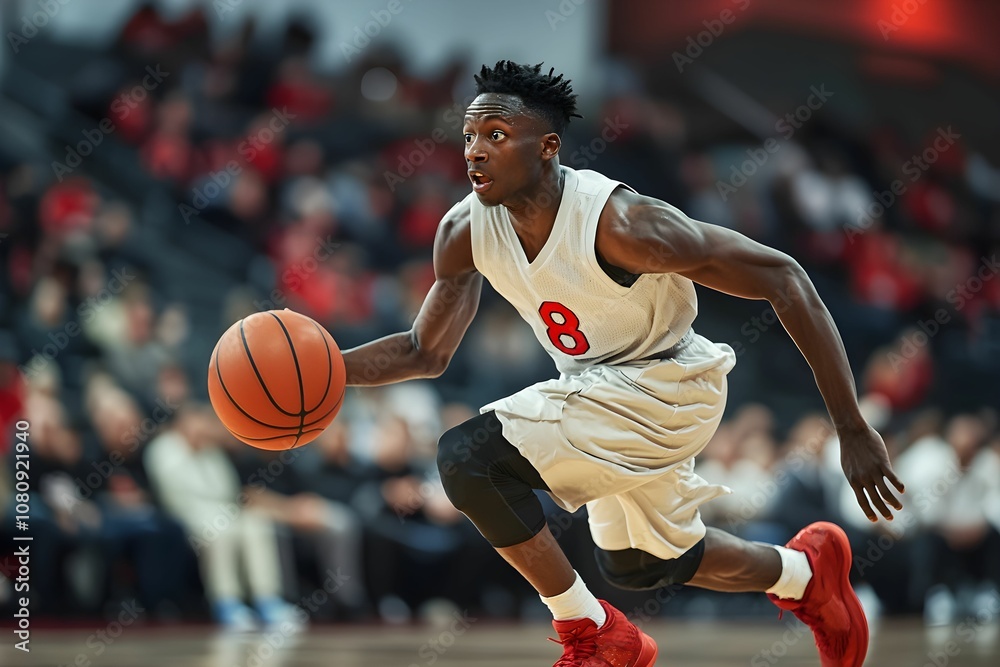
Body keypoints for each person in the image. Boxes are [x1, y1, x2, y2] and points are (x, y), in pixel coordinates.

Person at [340, 61, 905, 667]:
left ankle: (590, 631)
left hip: (666, 384)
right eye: (470, 137)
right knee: (642, 564)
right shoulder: (462, 229)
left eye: (497, 136)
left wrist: (849, 425)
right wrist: (327, 369)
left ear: (548, 148)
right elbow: (426, 352)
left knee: (466, 458)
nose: (475, 152)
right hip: (594, 385)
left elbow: (785, 278)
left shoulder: (624, 225)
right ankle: (804, 574)